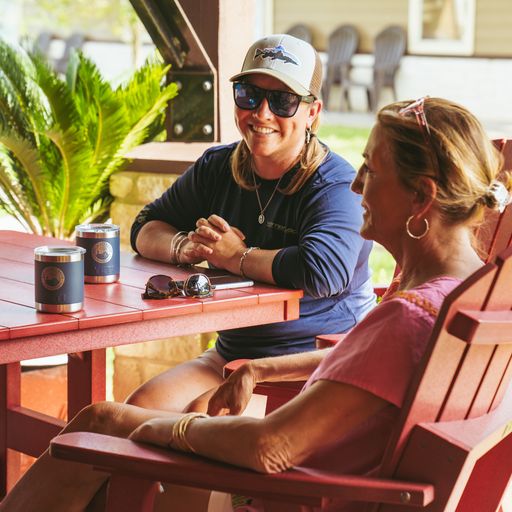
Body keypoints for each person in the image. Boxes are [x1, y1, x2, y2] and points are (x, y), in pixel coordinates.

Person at [2, 97, 510, 512]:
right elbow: (374, 363)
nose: (357, 185)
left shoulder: (407, 317)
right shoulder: (466, 297)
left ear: (422, 198)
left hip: (298, 493)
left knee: (104, 424)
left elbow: (271, 448)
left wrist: (177, 430)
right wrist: (261, 367)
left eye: (370, 171)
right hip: (325, 478)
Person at [126, 33, 375, 413]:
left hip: (315, 364)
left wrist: (236, 257)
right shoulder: (217, 168)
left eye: (283, 101)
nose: (261, 113)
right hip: (233, 353)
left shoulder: (335, 185)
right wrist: (184, 247)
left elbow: (324, 271)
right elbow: (144, 226)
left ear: (312, 111)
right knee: (138, 409)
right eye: (248, 94)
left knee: (200, 417)